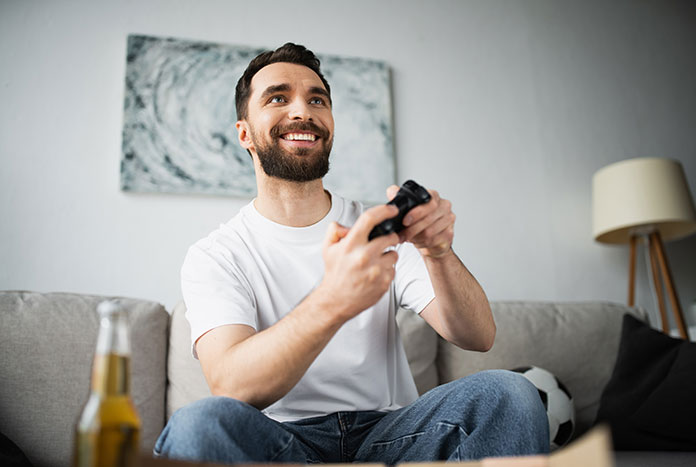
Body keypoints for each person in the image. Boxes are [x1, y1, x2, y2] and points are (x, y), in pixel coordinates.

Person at [154, 42, 549, 464]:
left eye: (317, 99)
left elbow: (479, 336)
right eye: (278, 98)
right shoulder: (216, 254)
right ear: (244, 133)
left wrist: (438, 252)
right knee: (198, 425)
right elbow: (231, 385)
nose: (302, 111)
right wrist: (334, 300)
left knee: (511, 394)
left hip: (395, 437)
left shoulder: (378, 226)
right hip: (283, 445)